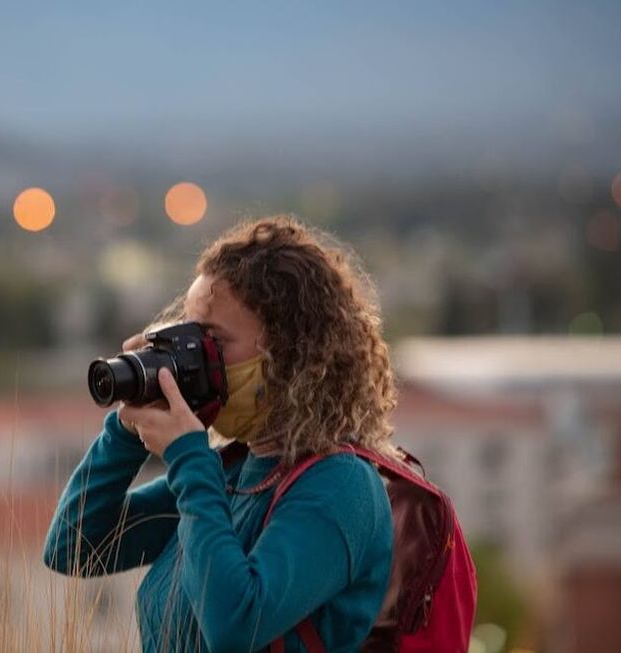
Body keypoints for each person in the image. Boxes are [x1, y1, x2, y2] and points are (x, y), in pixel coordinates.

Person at [43, 215, 397, 652]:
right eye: (190, 336)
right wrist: (126, 429)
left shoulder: (341, 487)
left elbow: (235, 625)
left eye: (214, 341)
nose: (196, 357)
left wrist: (189, 459)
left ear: (288, 353)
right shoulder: (231, 476)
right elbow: (73, 546)